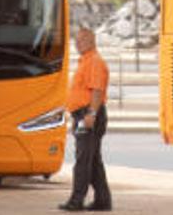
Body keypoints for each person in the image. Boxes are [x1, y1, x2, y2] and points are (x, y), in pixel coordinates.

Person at [59, 28, 111, 212]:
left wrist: (92, 114)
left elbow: (96, 90)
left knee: (83, 160)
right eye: (76, 40)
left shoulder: (94, 62)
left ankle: (76, 200)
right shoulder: (86, 61)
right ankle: (103, 201)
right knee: (93, 160)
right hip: (84, 114)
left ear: (91, 41)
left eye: (81, 40)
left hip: (89, 115)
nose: (77, 43)